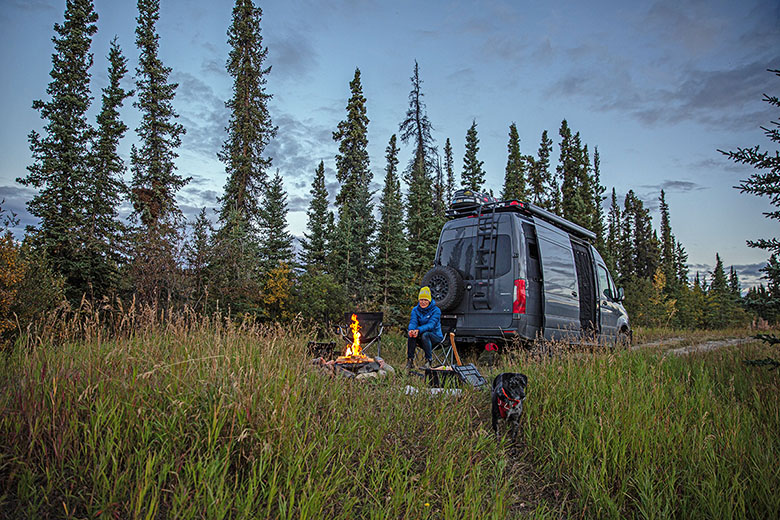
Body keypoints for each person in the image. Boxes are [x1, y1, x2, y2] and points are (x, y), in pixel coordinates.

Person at [406, 286, 444, 370]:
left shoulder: (436, 310)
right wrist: (411, 330)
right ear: (419, 300)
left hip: (435, 337)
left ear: (429, 300)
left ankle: (428, 361)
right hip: (421, 336)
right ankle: (410, 361)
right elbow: (413, 322)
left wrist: (418, 330)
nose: (423, 302)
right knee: (411, 335)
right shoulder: (415, 310)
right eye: (421, 300)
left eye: (425, 300)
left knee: (425, 335)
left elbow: (431, 325)